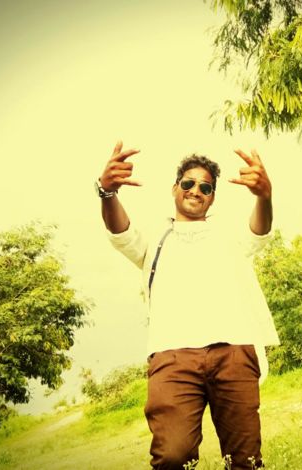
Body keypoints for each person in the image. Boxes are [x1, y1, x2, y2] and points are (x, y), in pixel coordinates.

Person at [97, 141, 280, 469]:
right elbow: (120, 232)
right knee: (172, 456)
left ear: (212, 197)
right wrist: (107, 192)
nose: (196, 190)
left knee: (246, 460)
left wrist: (264, 196)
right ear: (175, 188)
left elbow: (260, 231)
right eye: (188, 183)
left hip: (234, 351)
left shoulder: (227, 236)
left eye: (206, 187)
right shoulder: (155, 238)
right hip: (172, 356)